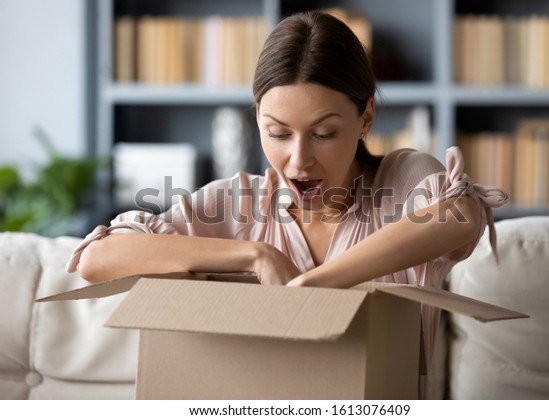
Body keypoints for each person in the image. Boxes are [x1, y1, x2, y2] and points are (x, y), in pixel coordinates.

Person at [67, 11, 507, 395]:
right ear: (258, 119)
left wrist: (314, 288)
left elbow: (460, 215)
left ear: (366, 117)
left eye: (323, 133)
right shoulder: (237, 203)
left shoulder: (403, 179)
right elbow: (97, 258)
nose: (298, 160)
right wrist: (255, 253)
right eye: (277, 133)